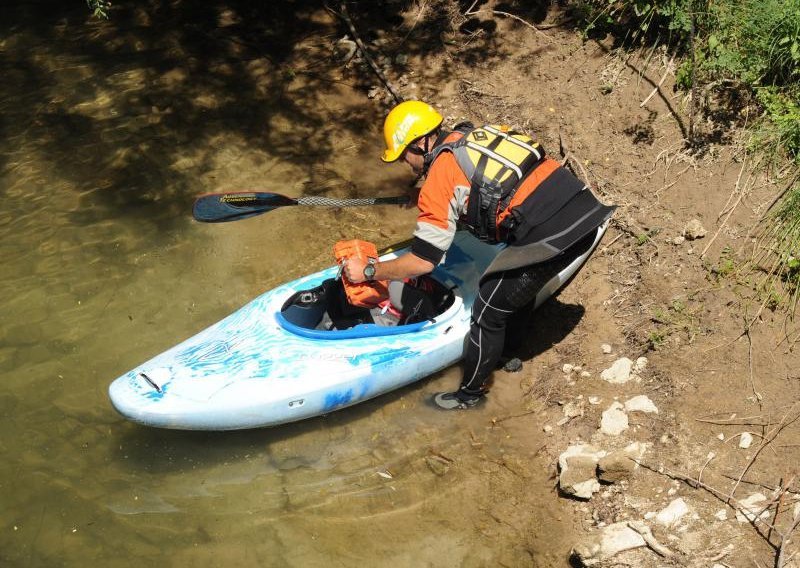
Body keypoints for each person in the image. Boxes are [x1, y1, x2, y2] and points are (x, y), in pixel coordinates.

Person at [341, 100, 615, 410]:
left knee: (488, 306)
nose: (406, 165)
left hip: (557, 236)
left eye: (405, 155)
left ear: (421, 143)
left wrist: (368, 271)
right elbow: (486, 184)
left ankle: (469, 396)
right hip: (585, 211)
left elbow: (423, 261)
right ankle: (510, 353)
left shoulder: (439, 178)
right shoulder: (469, 137)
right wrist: (429, 196)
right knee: (510, 284)